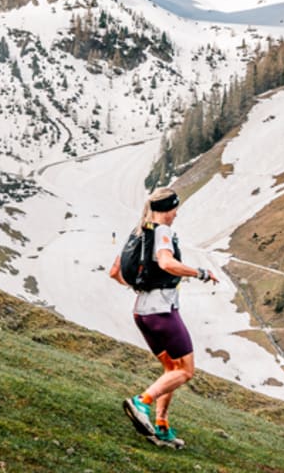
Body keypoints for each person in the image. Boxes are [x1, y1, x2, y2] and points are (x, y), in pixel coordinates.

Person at [109, 187, 218, 448]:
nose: (176, 214)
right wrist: (200, 273)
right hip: (161, 310)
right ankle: (141, 402)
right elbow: (167, 263)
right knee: (186, 371)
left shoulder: (138, 233)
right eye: (174, 209)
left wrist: (143, 285)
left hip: (142, 312)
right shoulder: (162, 231)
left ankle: (162, 425)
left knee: (171, 369)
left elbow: (115, 271)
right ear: (166, 210)